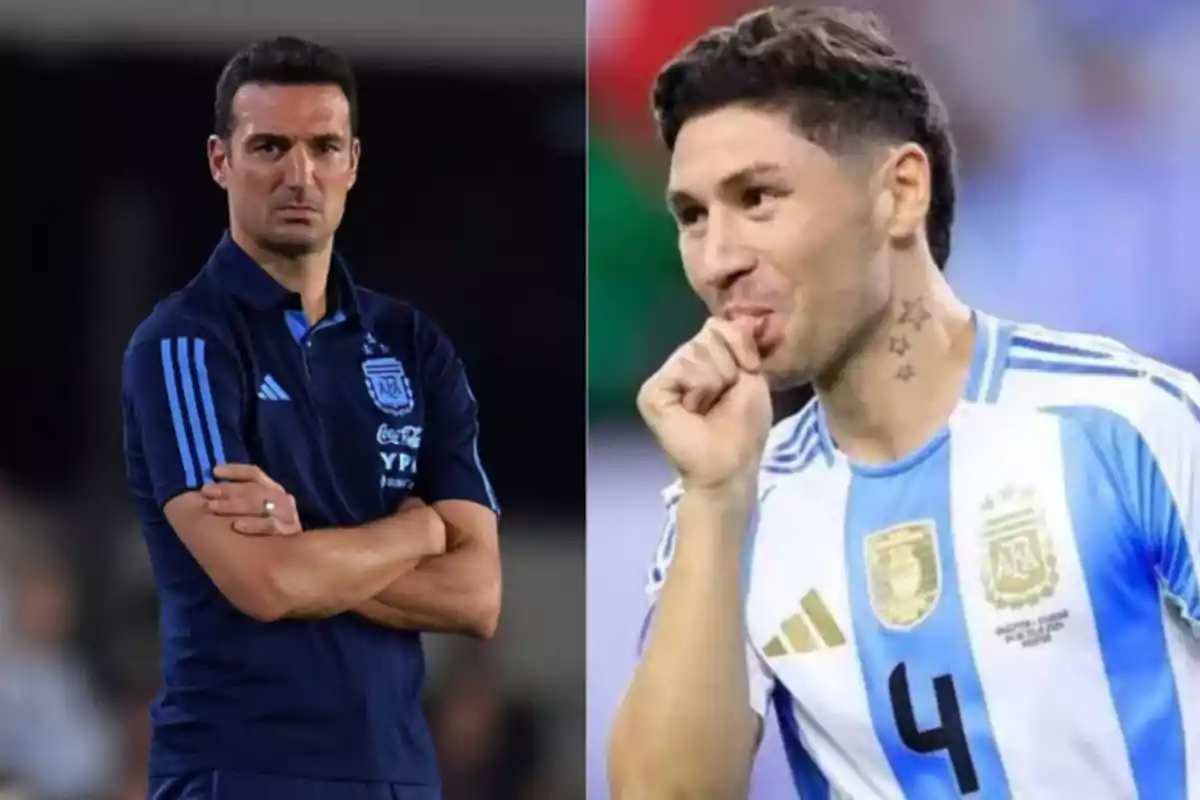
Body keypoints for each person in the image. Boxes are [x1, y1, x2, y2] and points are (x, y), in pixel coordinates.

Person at [609, 6, 1200, 799]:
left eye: (758, 198)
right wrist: (716, 500)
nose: (718, 259)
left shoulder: (1128, 426)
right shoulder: (734, 506)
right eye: (692, 216)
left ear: (900, 192)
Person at [120, 36, 501, 800]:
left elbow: (477, 596)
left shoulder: (412, 345)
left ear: (353, 162)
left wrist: (310, 554)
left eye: (324, 146)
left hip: (398, 773)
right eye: (269, 147)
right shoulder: (185, 344)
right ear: (220, 161)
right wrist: (416, 534)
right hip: (243, 767)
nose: (300, 174)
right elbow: (263, 582)